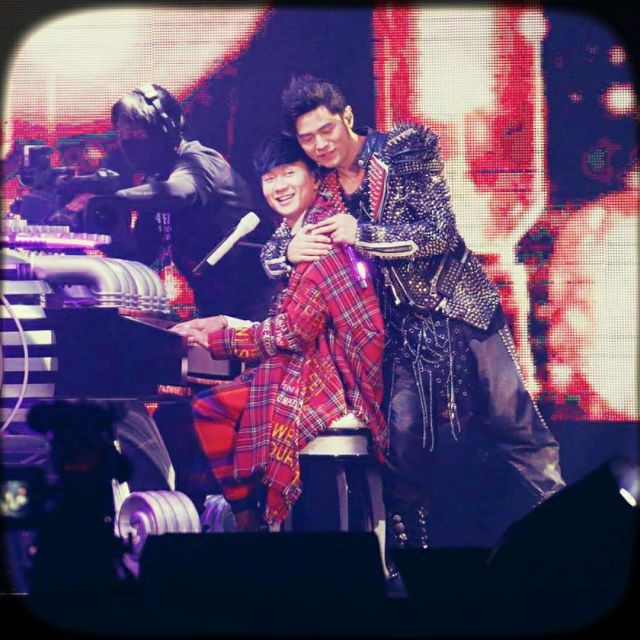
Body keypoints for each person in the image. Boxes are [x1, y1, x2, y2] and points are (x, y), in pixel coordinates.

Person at [261, 75, 566, 548]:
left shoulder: (403, 151)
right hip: (399, 333)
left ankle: (567, 528)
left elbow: (438, 234)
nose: (320, 145)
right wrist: (288, 250)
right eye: (307, 139)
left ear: (346, 117)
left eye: (326, 130)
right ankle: (412, 558)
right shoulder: (321, 187)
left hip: (459, 306)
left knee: (514, 421)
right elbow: (273, 250)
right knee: (402, 441)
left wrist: (362, 234)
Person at [171, 133, 387, 529]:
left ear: (315, 177)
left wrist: (220, 340)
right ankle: (250, 516)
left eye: (289, 173)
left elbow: (292, 334)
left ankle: (249, 523)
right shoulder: (295, 236)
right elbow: (296, 323)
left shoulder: (321, 238)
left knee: (209, 408)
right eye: (270, 178)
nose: (279, 186)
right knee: (218, 404)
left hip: (333, 379)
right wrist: (225, 324)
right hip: (315, 363)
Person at [105, 83, 255, 318]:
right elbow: (142, 254)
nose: (126, 142)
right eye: (122, 134)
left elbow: (180, 192)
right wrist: (107, 233)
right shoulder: (156, 178)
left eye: (135, 133)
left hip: (255, 306)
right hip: (213, 307)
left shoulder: (199, 160)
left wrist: (121, 199)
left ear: (166, 129)